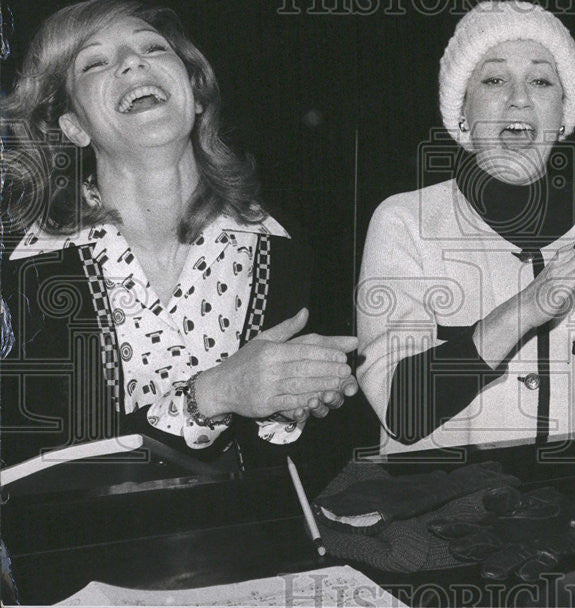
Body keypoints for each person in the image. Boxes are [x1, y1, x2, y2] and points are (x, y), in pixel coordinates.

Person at [1, 0, 358, 468]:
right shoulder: (23, 273)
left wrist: (293, 409)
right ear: (74, 127)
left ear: (197, 94)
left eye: (152, 47)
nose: (132, 62)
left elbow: (315, 463)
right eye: (95, 62)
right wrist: (212, 395)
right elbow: (27, 471)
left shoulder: (280, 245)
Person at [357, 1, 575, 454]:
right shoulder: (405, 222)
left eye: (541, 80)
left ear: (563, 114)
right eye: (494, 80)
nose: (519, 97)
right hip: (448, 517)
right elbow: (403, 410)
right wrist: (528, 306)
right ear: (461, 113)